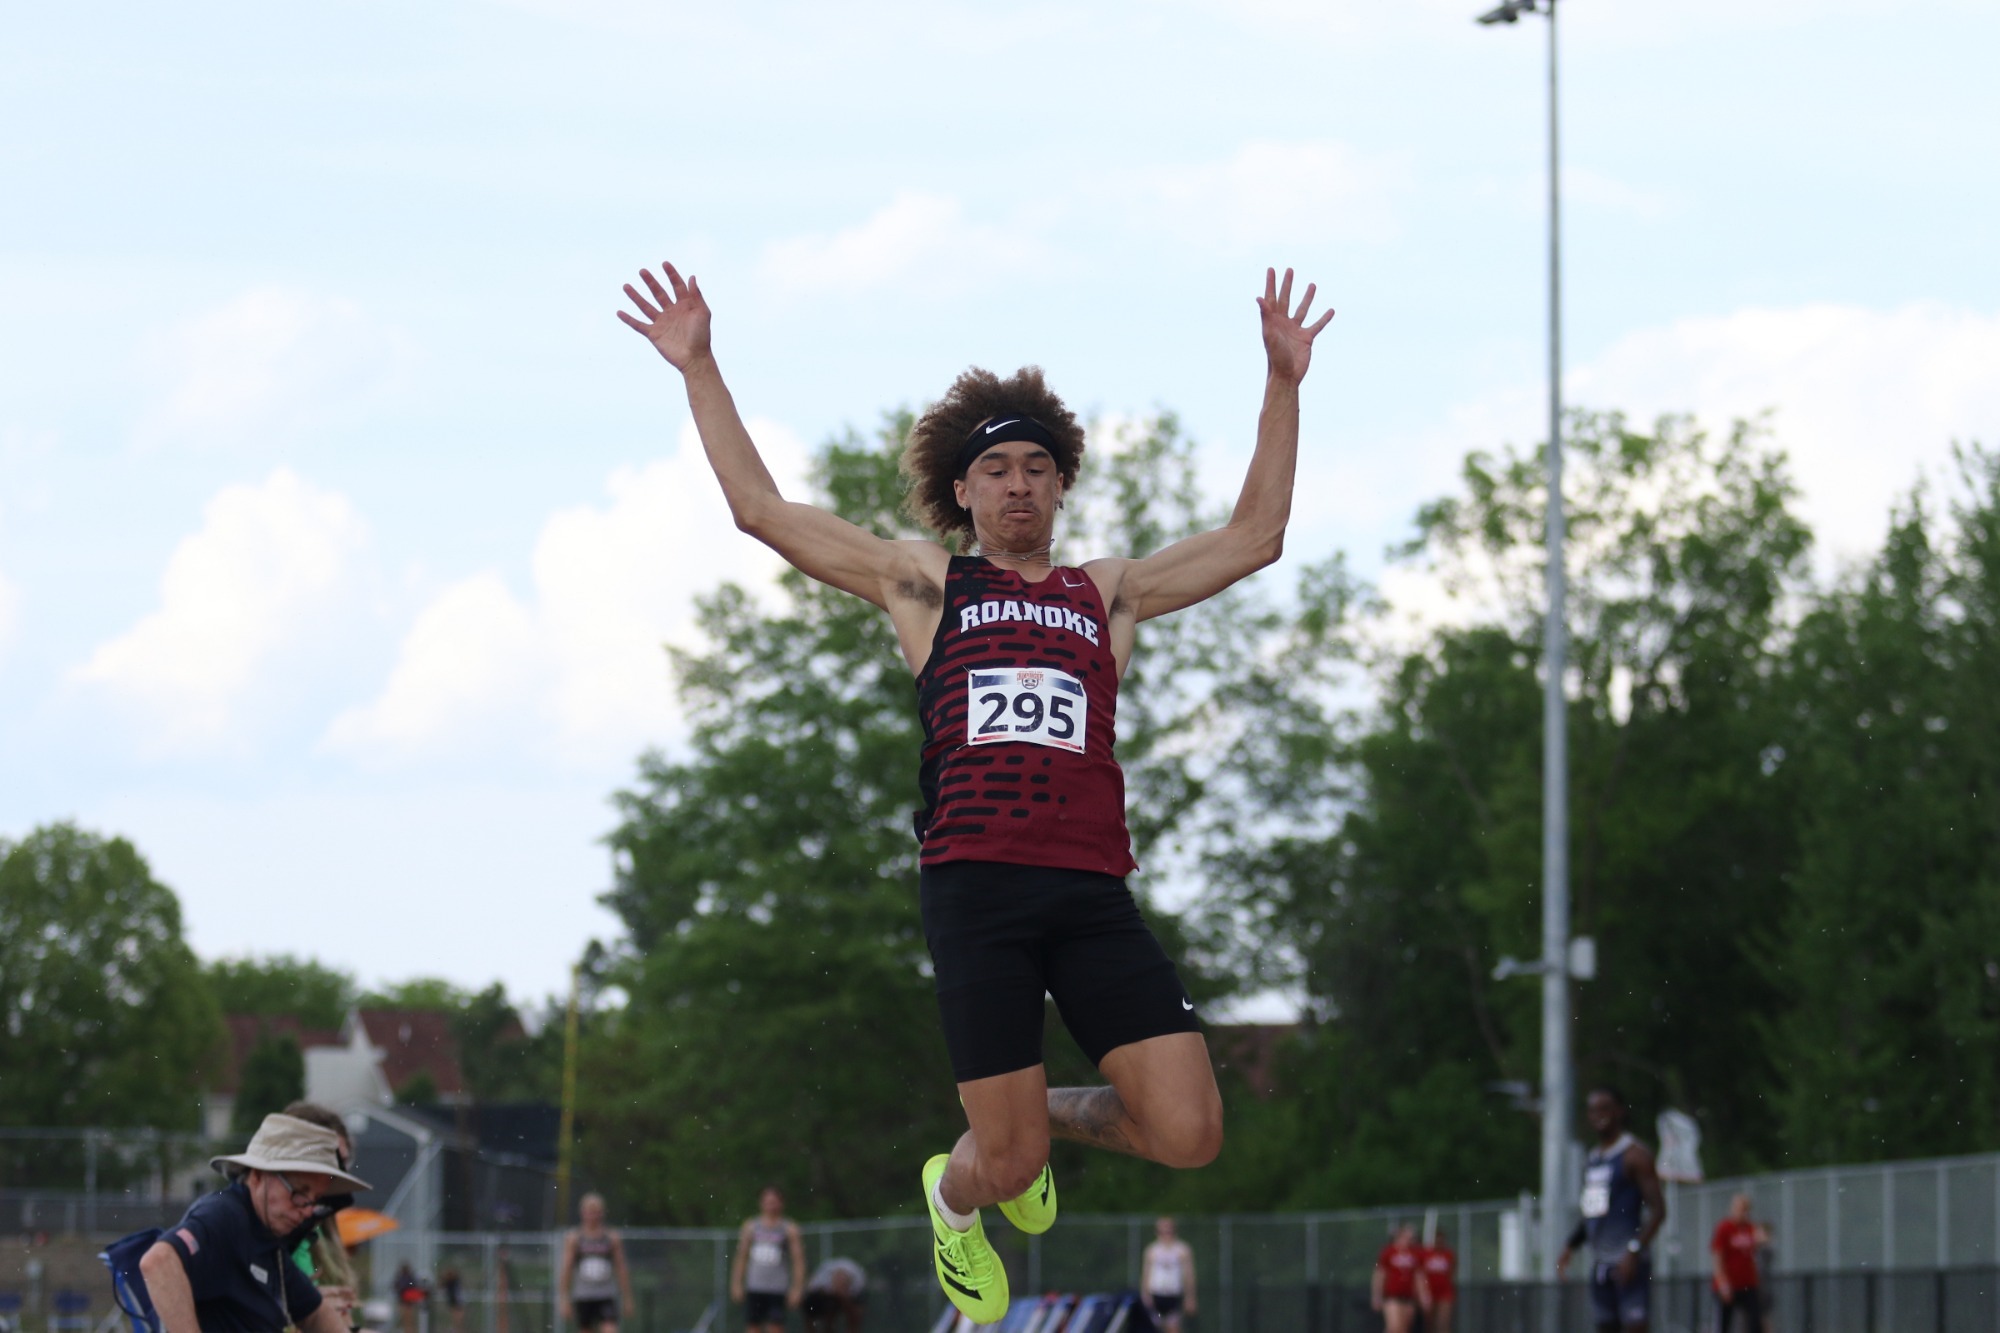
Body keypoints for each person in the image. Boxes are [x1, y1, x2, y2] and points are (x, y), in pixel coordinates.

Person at [618, 258, 1332, 1326]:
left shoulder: (1107, 592)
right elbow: (761, 510)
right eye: (995, 469)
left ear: (1061, 485)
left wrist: (1281, 383)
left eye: (1037, 467)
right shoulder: (927, 583)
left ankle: (1039, 1112)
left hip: (1090, 893)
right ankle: (954, 1203)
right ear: (963, 491)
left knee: (1189, 1133)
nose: (1017, 485)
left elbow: (1254, 538)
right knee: (1003, 1166)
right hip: (978, 891)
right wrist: (699, 366)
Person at [137, 1113, 371, 1333]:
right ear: (258, 1175)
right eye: (299, 1192)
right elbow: (159, 1262)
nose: (307, 1210)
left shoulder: (268, 1240)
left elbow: (315, 1313)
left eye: (315, 1199)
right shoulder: (226, 1214)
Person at [1557, 1087, 1668, 1333]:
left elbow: (1659, 1211)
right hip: (1601, 1263)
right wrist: (1570, 1245)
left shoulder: (1635, 1155)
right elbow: (1592, 1212)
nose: (1598, 1115)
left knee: (1635, 1326)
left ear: (1619, 1111)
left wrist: (1634, 1250)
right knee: (1605, 1326)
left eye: (1605, 1109)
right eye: (1593, 1110)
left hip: (1628, 1260)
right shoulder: (1593, 1159)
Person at [276, 1102, 363, 1333]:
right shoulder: (279, 1233)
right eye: (331, 1160)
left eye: (344, 1162)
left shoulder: (317, 1227)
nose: (339, 1173)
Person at [729, 1187, 805, 1333]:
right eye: (768, 1202)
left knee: (775, 1327)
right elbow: (741, 1256)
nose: (771, 1206)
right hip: (755, 1285)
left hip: (777, 1287)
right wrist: (736, 1283)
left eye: (774, 1202)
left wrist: (797, 1288)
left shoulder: (789, 1229)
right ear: (761, 1203)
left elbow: (798, 1260)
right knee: (753, 1326)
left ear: (781, 1203)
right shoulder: (751, 1227)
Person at [558, 1194, 634, 1333]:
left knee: (610, 1328)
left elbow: (621, 1268)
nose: (593, 1217)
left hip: (605, 1294)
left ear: (602, 1213)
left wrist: (627, 1297)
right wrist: (564, 1299)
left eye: (596, 1212)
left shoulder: (612, 1237)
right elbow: (567, 1269)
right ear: (582, 1213)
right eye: (589, 1212)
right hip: (583, 1295)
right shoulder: (574, 1238)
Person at [1710, 1194, 1769, 1333]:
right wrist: (1722, 1283)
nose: (1742, 1213)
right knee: (1724, 1323)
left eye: (1745, 1209)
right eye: (1739, 1209)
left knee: (1755, 1323)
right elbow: (1717, 1256)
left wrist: (1760, 1236)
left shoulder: (1750, 1228)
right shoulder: (1725, 1228)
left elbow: (1763, 1239)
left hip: (1748, 1284)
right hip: (1729, 1284)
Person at [1140, 1216, 1197, 1333]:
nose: (1166, 1235)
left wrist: (1190, 1297)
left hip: (1174, 1296)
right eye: (1162, 1232)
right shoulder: (1152, 1250)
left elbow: (1189, 1275)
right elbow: (1146, 1275)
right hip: (1156, 1296)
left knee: (1173, 1328)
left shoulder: (1182, 1250)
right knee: (1154, 1328)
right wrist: (1144, 1295)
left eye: (1169, 1231)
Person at [1371, 1224, 1421, 1333]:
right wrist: (1377, 1295)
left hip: (1408, 1297)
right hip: (1392, 1296)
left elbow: (1418, 1276)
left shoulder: (1414, 1253)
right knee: (1394, 1327)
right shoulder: (1389, 1252)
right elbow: (1380, 1274)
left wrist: (1422, 1295)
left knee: (1404, 1329)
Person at [801, 1258, 866, 1333]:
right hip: (825, 1296)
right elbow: (808, 1308)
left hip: (848, 1298)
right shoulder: (819, 1282)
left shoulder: (858, 1283)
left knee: (854, 1317)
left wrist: (845, 1300)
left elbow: (857, 1315)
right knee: (813, 1310)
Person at [1417, 1229, 1456, 1333]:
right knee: (1429, 1323)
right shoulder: (1425, 1254)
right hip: (1430, 1291)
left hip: (1444, 1292)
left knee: (1443, 1322)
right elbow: (1420, 1274)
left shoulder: (1448, 1254)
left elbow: (1452, 1271)